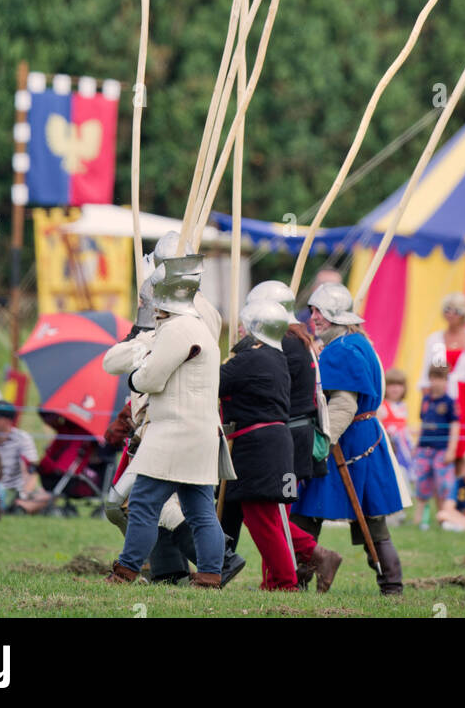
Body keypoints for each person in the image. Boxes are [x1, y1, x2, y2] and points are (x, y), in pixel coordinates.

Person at [102, 235, 244, 587]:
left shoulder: (177, 329)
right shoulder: (194, 326)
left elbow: (150, 379)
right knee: (200, 512)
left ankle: (125, 571)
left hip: (174, 435)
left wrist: (134, 377)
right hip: (199, 434)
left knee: (145, 505)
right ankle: (210, 576)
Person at [292, 282, 407, 596]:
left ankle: (391, 585)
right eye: (312, 310)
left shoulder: (343, 349)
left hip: (348, 442)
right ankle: (390, 585)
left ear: (334, 315)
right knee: (326, 512)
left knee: (312, 511)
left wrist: (323, 442)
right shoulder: (355, 342)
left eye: (318, 311)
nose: (312, 317)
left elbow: (344, 404)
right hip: (360, 437)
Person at [219, 297, 341, 592]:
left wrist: (231, 358)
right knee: (272, 517)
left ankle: (287, 579)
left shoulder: (254, 358)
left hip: (260, 447)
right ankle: (285, 575)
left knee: (260, 517)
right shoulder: (278, 354)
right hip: (280, 444)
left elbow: (215, 382)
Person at [244, 279, 326, 484]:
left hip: (290, 436)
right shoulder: (295, 337)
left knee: (283, 501)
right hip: (293, 434)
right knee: (282, 501)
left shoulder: (286, 342)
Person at [418, 293, 465, 460]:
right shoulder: (435, 339)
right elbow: (427, 373)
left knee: (464, 447)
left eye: (455, 310)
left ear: (463, 313)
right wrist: (428, 402)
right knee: (439, 445)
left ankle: (460, 483)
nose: (450, 314)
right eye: (447, 310)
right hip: (439, 397)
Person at [413, 364, 458, 530]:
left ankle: (444, 516)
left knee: (444, 485)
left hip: (442, 449)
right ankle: (419, 518)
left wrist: (452, 449)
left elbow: (455, 426)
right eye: (433, 378)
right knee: (422, 482)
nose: (436, 382)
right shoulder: (425, 400)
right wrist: (416, 445)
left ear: (446, 381)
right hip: (425, 448)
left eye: (440, 378)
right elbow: (423, 423)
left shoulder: (450, 402)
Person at [378, 368, 414, 484]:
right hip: (391, 447)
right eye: (391, 384)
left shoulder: (403, 406)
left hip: (404, 449)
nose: (395, 388)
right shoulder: (382, 406)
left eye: (398, 385)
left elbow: (404, 428)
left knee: (404, 478)